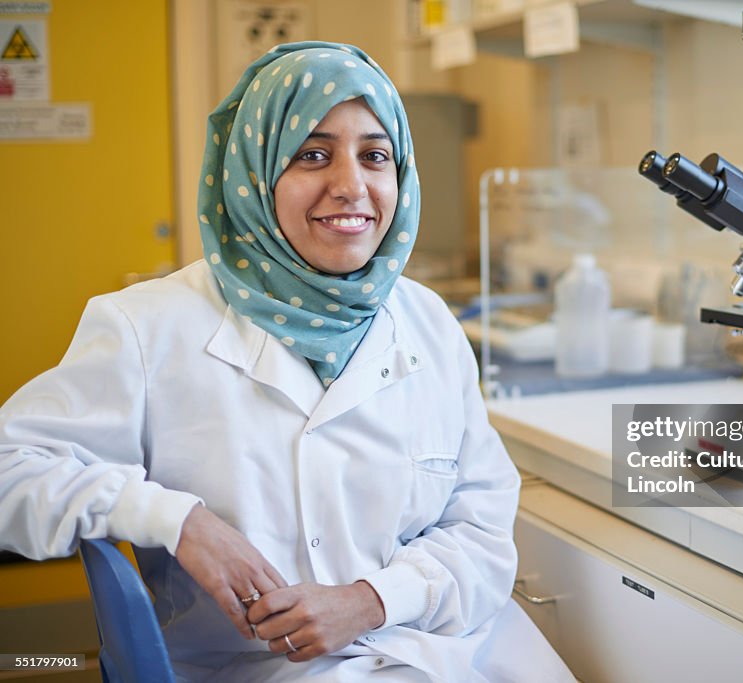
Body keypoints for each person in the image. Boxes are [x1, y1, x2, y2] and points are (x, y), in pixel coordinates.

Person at [0, 42, 573, 682]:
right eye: (313, 154)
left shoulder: (428, 321)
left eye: (375, 156)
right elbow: (10, 472)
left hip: (447, 647)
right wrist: (176, 519)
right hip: (256, 668)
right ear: (252, 169)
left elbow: (482, 526)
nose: (352, 186)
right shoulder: (147, 326)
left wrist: (372, 600)